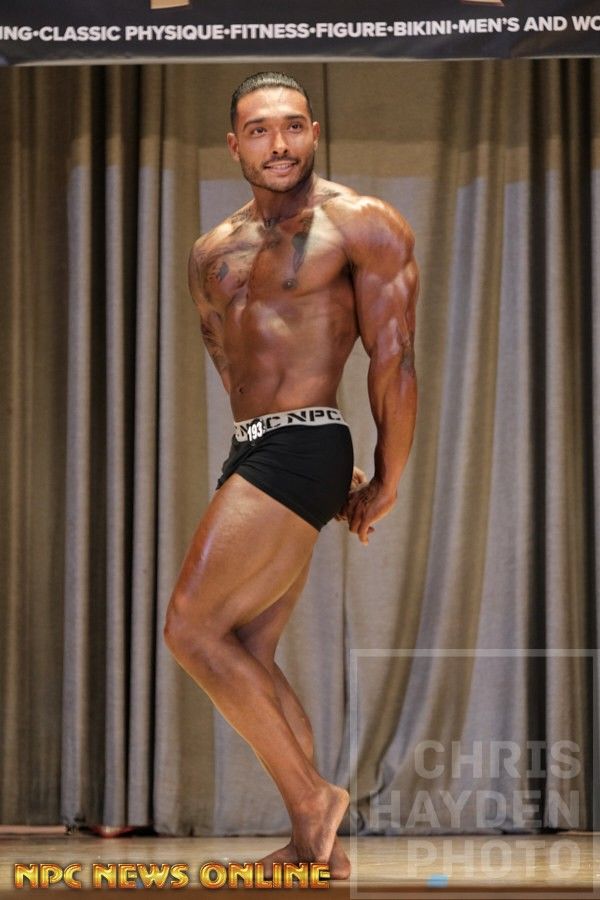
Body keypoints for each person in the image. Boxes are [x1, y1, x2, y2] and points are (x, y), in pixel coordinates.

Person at [164, 72, 419, 880]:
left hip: (305, 443)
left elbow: (393, 357)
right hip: (261, 450)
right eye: (259, 130)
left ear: (313, 132)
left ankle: (313, 801)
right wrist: (270, 462)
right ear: (234, 144)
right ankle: (318, 849)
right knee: (244, 647)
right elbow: (228, 364)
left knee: (191, 630)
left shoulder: (360, 222)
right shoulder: (212, 251)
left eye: (293, 126)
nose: (279, 144)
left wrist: (386, 477)